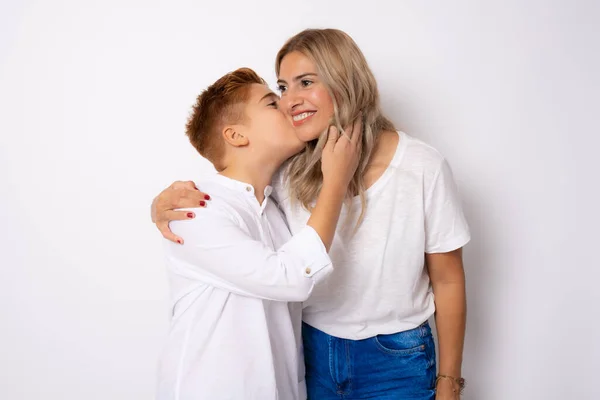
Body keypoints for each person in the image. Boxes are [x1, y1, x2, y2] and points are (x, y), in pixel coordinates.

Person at [153, 29, 470, 400]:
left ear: (344, 79)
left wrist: (449, 382)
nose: (290, 101)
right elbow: (238, 193)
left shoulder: (421, 165)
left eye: (305, 82)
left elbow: (448, 281)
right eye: (282, 89)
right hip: (313, 351)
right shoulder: (288, 173)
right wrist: (162, 205)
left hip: (395, 358)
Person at [156, 67, 362, 400]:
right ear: (236, 136)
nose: (287, 105)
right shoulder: (194, 212)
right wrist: (335, 183)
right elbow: (291, 278)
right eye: (271, 102)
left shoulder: (278, 209)